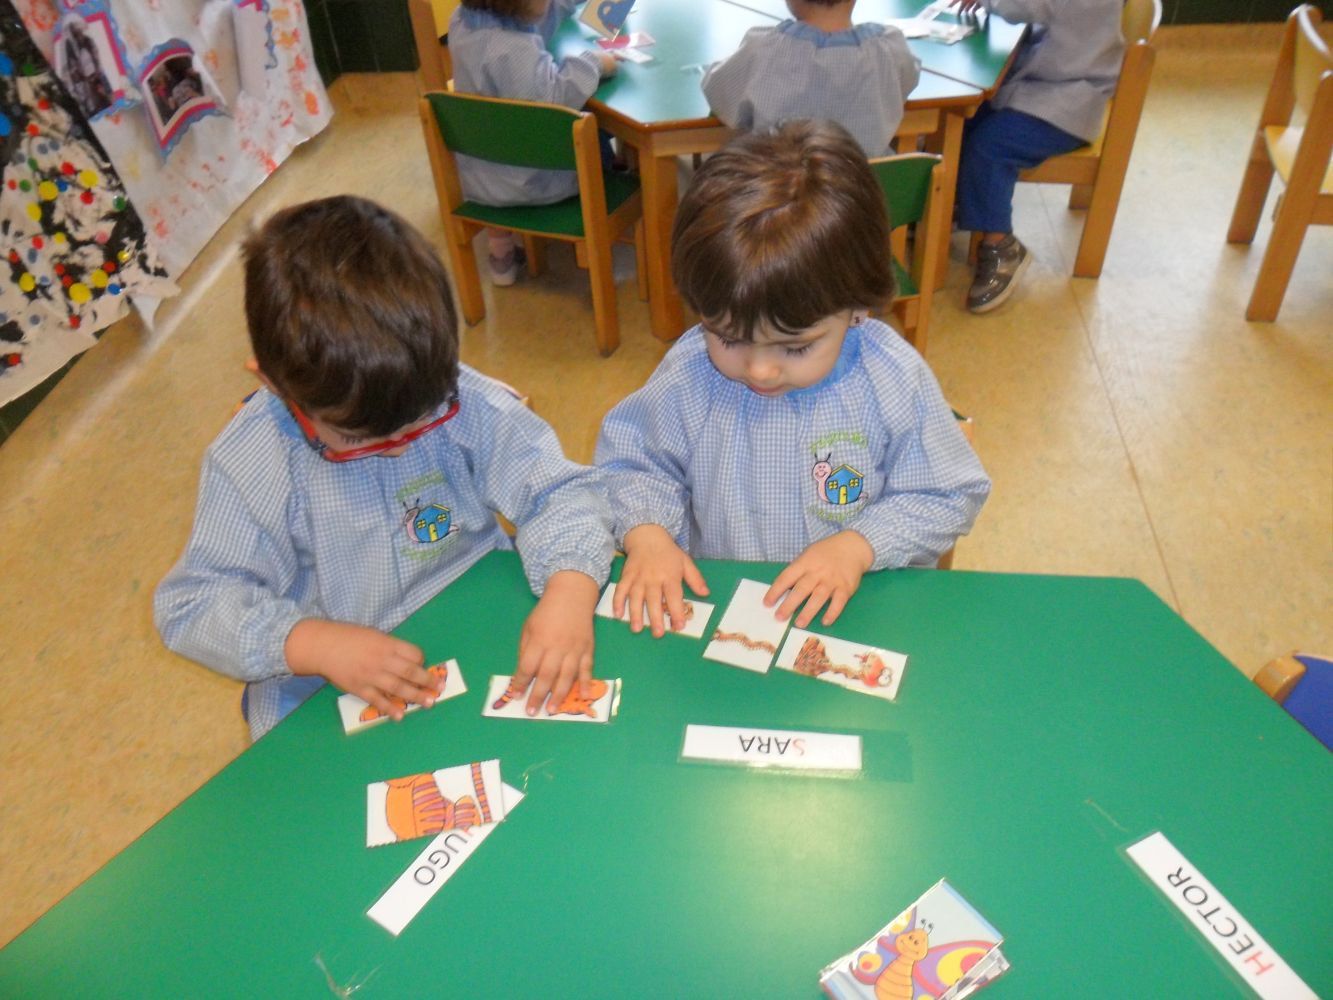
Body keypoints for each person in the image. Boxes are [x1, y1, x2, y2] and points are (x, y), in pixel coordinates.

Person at [154, 196, 613, 740]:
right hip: (327, 685)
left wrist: (569, 590)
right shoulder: (252, 459)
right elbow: (193, 605)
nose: (398, 448)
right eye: (357, 438)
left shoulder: (457, 396)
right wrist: (312, 643)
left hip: (475, 632)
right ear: (274, 384)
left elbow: (560, 492)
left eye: (420, 421)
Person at [595, 121, 990, 638]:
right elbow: (632, 463)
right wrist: (648, 535)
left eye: (796, 347)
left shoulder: (892, 378)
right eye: (728, 337)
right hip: (723, 609)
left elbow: (947, 494)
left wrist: (860, 545)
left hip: (854, 612)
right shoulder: (690, 372)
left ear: (859, 308)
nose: (759, 369)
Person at [952, 0, 1124, 312]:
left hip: (1070, 103)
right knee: (963, 120)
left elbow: (1025, 5)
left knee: (990, 147)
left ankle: (1001, 244)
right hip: (1046, 84)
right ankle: (956, 205)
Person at [448, 0, 618, 286]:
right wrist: (594, 63)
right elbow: (555, 98)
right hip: (535, 181)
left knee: (497, 129)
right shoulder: (514, 48)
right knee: (594, 127)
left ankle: (501, 251)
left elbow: (539, 18)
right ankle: (613, 185)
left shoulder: (463, 22)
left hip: (481, 178)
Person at [700, 0, 920, 159]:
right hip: (862, 199)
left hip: (777, 197)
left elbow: (718, 90)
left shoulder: (764, 49)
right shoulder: (889, 49)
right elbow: (907, 80)